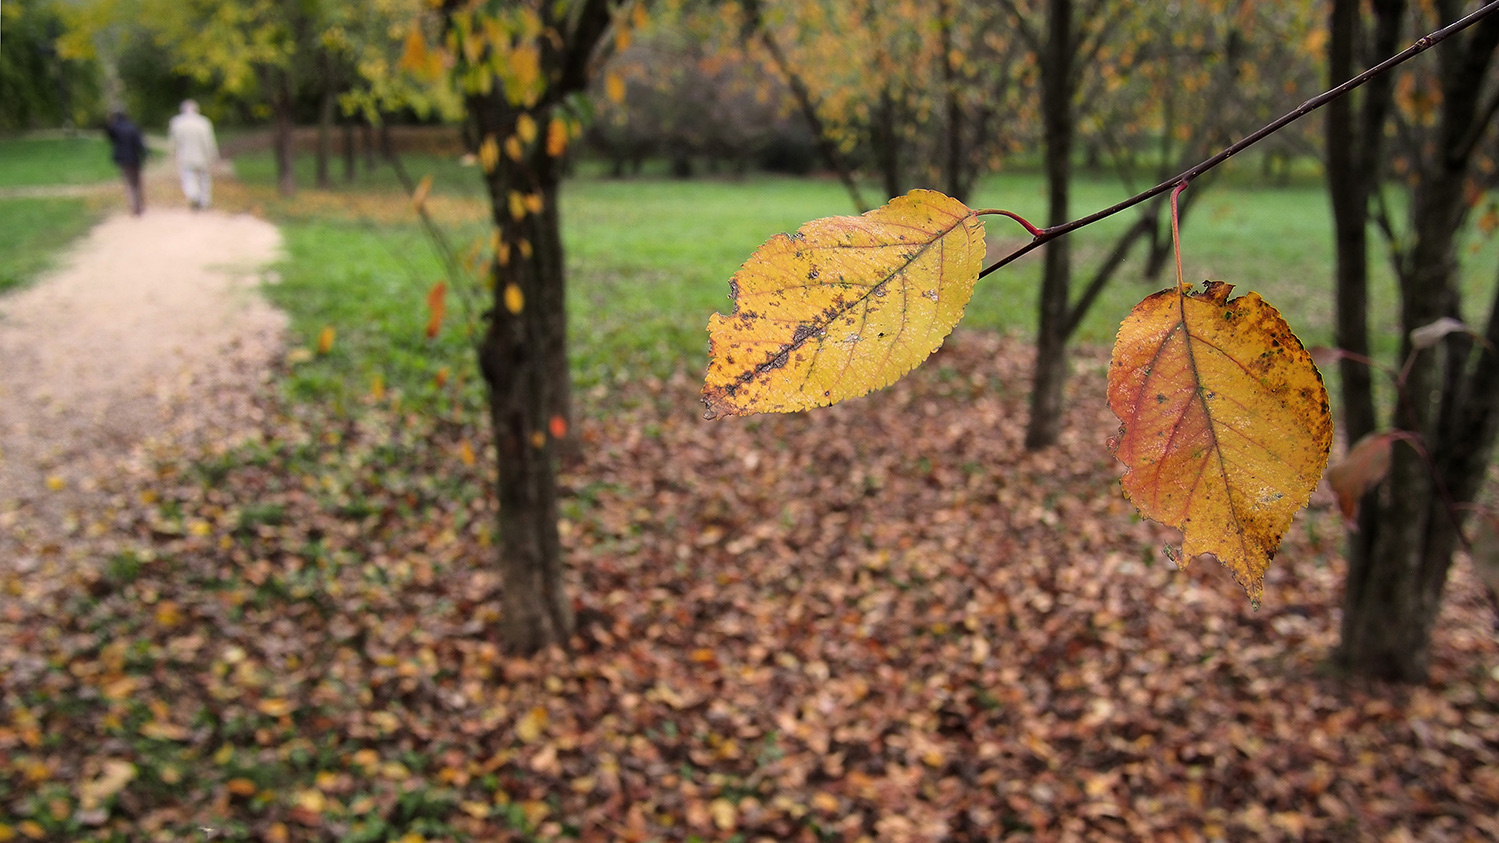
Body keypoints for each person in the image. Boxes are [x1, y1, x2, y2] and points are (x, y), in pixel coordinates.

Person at [168, 100, 219, 210]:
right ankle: (205, 201)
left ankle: (194, 196)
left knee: (189, 178)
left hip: (186, 157)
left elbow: (173, 142)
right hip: (202, 157)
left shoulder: (177, 123)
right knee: (204, 180)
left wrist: (172, 154)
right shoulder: (204, 122)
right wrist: (213, 155)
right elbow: (209, 142)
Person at [104, 111, 147, 215]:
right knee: (137, 182)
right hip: (134, 158)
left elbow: (109, 136)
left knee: (128, 183)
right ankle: (139, 205)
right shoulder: (133, 127)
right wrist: (145, 153)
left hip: (122, 159)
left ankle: (133, 206)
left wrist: (111, 122)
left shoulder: (115, 128)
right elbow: (139, 142)